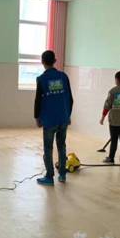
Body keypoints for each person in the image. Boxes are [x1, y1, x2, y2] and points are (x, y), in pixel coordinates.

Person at [34, 50, 74, 186]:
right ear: (55, 61)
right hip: (63, 118)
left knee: (48, 148)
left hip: (49, 120)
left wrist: (37, 117)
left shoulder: (41, 79)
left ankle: (49, 177)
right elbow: (70, 99)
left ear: (42, 62)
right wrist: (68, 115)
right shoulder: (64, 77)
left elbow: (38, 101)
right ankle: (62, 175)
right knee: (62, 147)